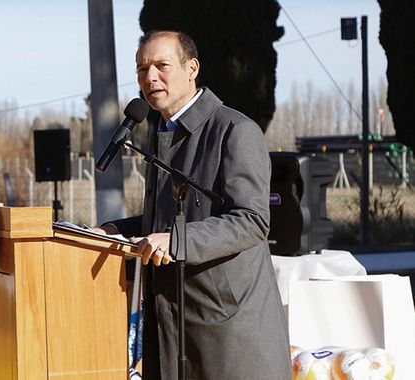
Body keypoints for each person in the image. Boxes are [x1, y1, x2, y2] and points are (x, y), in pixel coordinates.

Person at [96, 30, 292, 379]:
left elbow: (251, 220)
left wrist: (175, 240)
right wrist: (109, 231)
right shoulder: (162, 133)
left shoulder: (234, 130)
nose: (150, 77)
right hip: (171, 324)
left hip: (225, 328)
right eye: (142, 69)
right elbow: (170, 219)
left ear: (192, 68)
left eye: (161, 65)